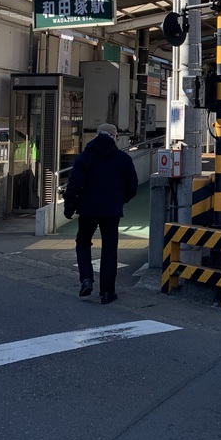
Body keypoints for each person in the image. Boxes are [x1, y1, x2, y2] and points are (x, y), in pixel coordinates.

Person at [63, 123, 138, 304]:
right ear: (115, 137)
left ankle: (86, 279)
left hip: (87, 209)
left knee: (82, 242)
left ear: (96, 135)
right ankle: (106, 292)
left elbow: (74, 184)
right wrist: (121, 200)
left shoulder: (85, 157)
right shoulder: (122, 159)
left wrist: (70, 206)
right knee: (109, 250)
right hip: (111, 211)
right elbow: (132, 186)